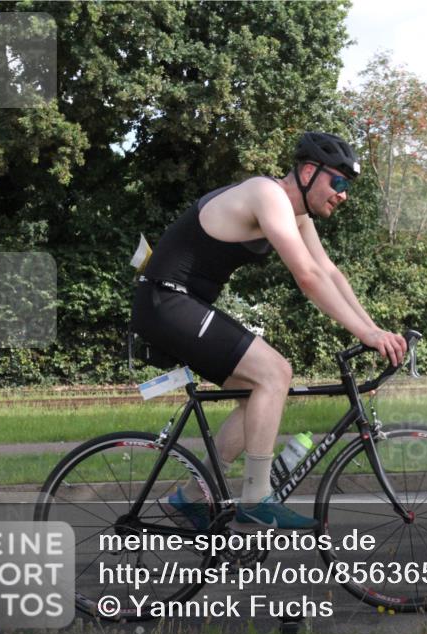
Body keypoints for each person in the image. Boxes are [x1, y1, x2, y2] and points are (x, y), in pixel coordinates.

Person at [130, 131, 407, 530]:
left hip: (182, 304)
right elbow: (308, 277)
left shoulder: (295, 213)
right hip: (166, 301)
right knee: (275, 372)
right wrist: (366, 335)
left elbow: (329, 271)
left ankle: (191, 497)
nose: (344, 194)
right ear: (310, 172)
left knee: (258, 394)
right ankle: (256, 497)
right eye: (339, 182)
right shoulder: (266, 194)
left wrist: (374, 329)